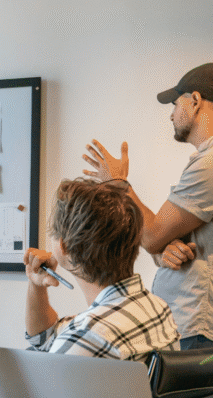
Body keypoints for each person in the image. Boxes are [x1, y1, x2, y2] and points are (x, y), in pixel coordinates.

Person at [0, 178, 180, 398]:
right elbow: (44, 340)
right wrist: (37, 286)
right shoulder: (156, 308)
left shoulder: (90, 335)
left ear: (63, 247)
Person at [82, 63, 213, 350]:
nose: (171, 114)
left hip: (198, 330)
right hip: (190, 326)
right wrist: (164, 251)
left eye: (175, 104)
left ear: (194, 101)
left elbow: (151, 234)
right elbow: (160, 240)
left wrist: (118, 183)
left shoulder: (209, 164)